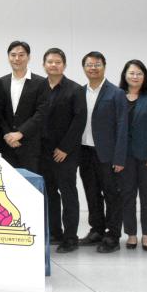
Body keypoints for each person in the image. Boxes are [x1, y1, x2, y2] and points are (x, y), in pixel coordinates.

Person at [113, 60, 147, 252]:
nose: (135, 77)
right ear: (125, 75)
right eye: (131, 73)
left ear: (145, 76)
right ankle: (131, 234)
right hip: (124, 157)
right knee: (127, 195)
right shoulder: (117, 96)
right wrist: (117, 157)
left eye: (139, 73)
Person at [78, 51, 127, 253]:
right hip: (84, 151)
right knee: (91, 193)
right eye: (89, 65)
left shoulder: (116, 93)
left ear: (104, 67)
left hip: (107, 154)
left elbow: (123, 126)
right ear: (84, 68)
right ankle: (97, 230)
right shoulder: (80, 92)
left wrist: (120, 157)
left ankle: (113, 235)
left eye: (97, 64)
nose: (93, 68)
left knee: (112, 195)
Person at [40, 48, 87, 253]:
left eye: (58, 62)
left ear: (64, 65)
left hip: (66, 152)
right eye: (50, 62)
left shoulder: (75, 89)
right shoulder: (39, 87)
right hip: (43, 151)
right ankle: (55, 232)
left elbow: (79, 121)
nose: (54, 65)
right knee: (49, 193)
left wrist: (65, 148)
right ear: (44, 65)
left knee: (68, 194)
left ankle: (70, 237)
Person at [0, 41, 48, 171]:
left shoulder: (41, 83)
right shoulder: (1, 82)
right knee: (8, 183)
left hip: (30, 146)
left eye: (21, 55)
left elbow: (41, 113)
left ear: (28, 57)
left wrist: (21, 133)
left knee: (30, 183)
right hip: (7, 145)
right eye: (13, 55)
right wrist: (7, 134)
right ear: (8, 57)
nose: (17, 58)